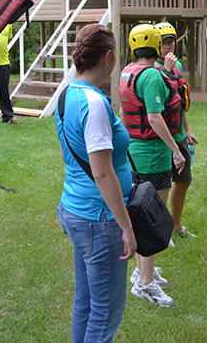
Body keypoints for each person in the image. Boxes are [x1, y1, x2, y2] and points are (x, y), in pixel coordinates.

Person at [55, 24, 136, 343]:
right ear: (108, 57)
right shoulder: (95, 103)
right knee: (105, 314)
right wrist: (126, 227)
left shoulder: (67, 94)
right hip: (99, 220)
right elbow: (102, 174)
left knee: (87, 303)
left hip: (77, 211)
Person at [119, 23, 185, 308]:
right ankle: (145, 283)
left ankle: (141, 271)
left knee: (142, 212)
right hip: (153, 155)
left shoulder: (127, 71)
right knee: (151, 219)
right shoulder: (152, 76)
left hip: (135, 152)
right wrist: (176, 151)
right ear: (157, 46)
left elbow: (124, 111)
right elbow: (155, 118)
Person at [154, 22, 198, 240]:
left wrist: (187, 130)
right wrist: (166, 70)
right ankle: (161, 231)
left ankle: (176, 225)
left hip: (179, 134)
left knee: (184, 181)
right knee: (161, 186)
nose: (167, 47)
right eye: (163, 43)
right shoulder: (152, 69)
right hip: (161, 137)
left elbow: (178, 101)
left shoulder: (177, 66)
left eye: (171, 42)